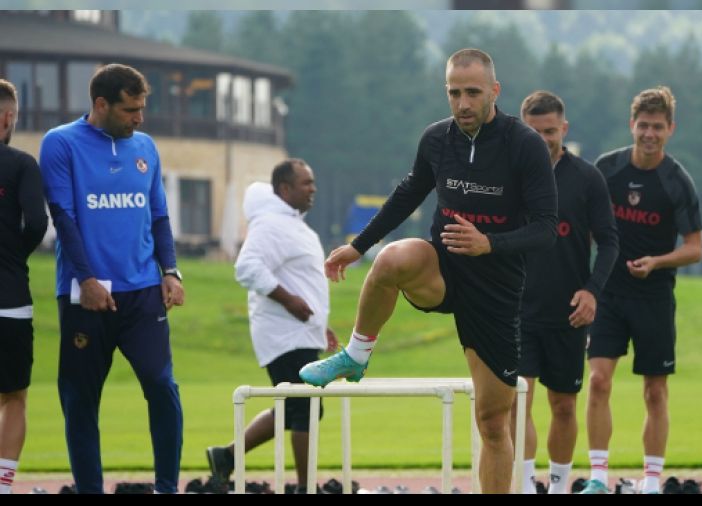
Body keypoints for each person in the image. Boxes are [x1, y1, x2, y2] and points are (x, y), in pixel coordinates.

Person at [300, 48, 558, 493]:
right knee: (392, 261)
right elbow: (408, 193)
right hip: (442, 271)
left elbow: (546, 229)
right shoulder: (437, 139)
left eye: (473, 92)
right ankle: (356, 356)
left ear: (494, 91)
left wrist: (489, 243)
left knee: (493, 423)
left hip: (496, 289)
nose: (462, 103)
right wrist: (358, 245)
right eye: (454, 93)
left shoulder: (525, 145)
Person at [39, 64, 185, 494]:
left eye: (142, 108)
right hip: (87, 295)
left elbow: (158, 216)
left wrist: (170, 271)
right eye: (129, 110)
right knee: (80, 400)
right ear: (100, 105)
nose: (139, 118)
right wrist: (85, 279)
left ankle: (166, 487)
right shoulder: (60, 143)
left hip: (142, 293)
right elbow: (63, 217)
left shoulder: (145, 146)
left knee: (162, 386)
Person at [579, 86, 702, 495]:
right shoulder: (607, 168)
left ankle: (651, 481)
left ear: (671, 129)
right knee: (598, 382)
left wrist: (657, 262)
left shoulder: (676, 181)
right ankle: (598, 477)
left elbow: (695, 248)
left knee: (655, 390)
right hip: (609, 294)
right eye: (643, 125)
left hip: (653, 297)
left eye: (658, 127)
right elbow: (585, 226)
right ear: (632, 125)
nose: (649, 133)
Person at [206, 159, 338, 491]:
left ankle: (226, 457)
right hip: (284, 334)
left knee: (294, 407)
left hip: (301, 333)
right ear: (284, 189)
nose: (313, 189)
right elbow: (246, 267)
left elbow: (302, 281)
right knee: (305, 408)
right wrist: (288, 300)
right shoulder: (270, 224)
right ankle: (308, 488)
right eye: (306, 183)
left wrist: (320, 325)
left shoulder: (293, 225)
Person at [514, 91, 618, 494]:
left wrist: (592, 292)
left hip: (569, 313)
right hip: (519, 308)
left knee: (563, 404)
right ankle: (524, 487)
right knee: (519, 401)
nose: (543, 140)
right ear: (523, 129)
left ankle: (558, 488)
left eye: (551, 132)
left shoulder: (587, 178)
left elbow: (609, 242)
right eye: (534, 132)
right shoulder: (510, 177)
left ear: (565, 129)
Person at [0, 79, 49, 495]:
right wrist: (15, 255)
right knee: (13, 397)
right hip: (10, 301)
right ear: (8, 117)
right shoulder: (20, 164)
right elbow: (37, 223)